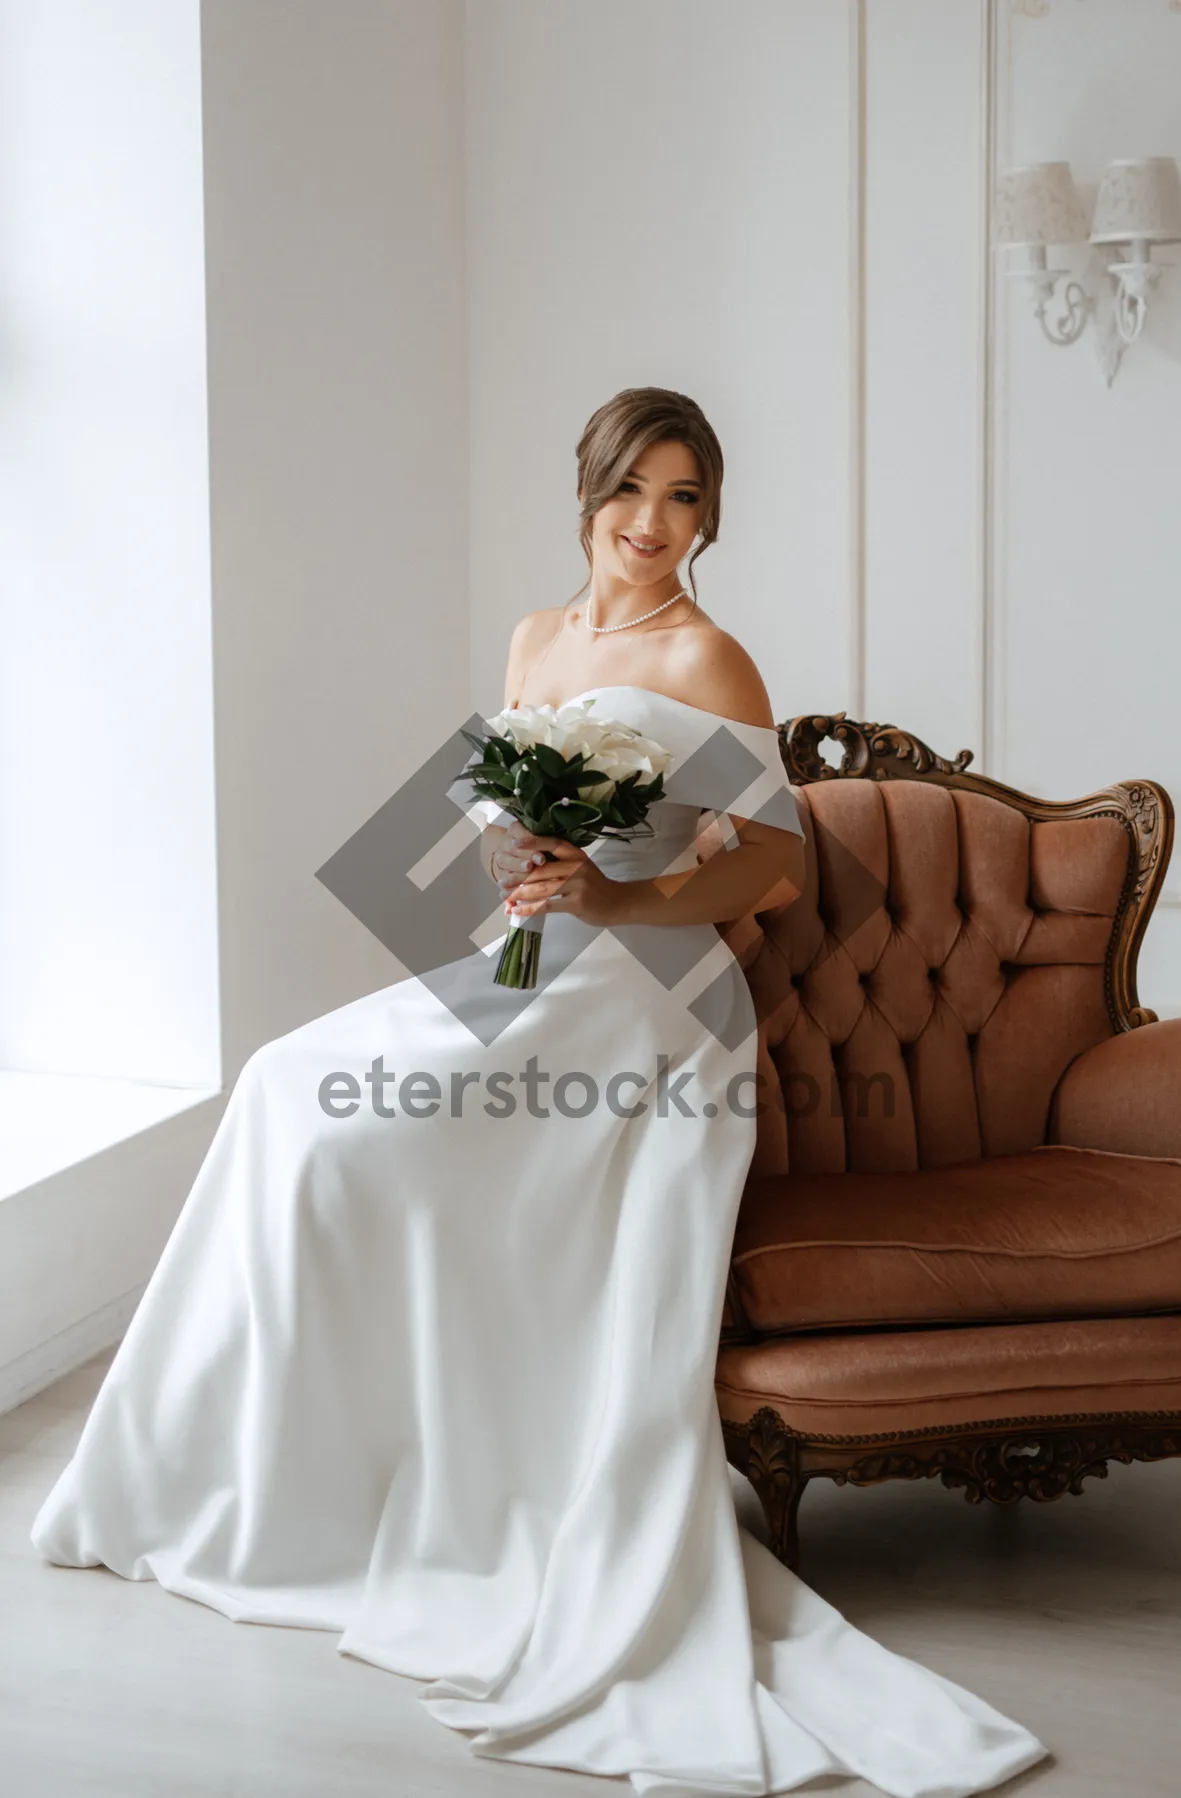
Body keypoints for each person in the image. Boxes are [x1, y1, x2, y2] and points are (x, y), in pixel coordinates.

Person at [30, 388, 1050, 1797]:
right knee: (282, 1089)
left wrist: (620, 891)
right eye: (634, 489)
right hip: (529, 962)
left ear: (710, 517)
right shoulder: (535, 636)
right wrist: (522, 856)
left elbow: (774, 870)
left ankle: (440, 1485)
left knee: (360, 1141)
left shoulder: (711, 653)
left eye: (686, 498)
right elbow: (506, 821)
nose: (654, 524)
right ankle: (256, 1484)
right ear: (587, 493)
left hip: (655, 993)